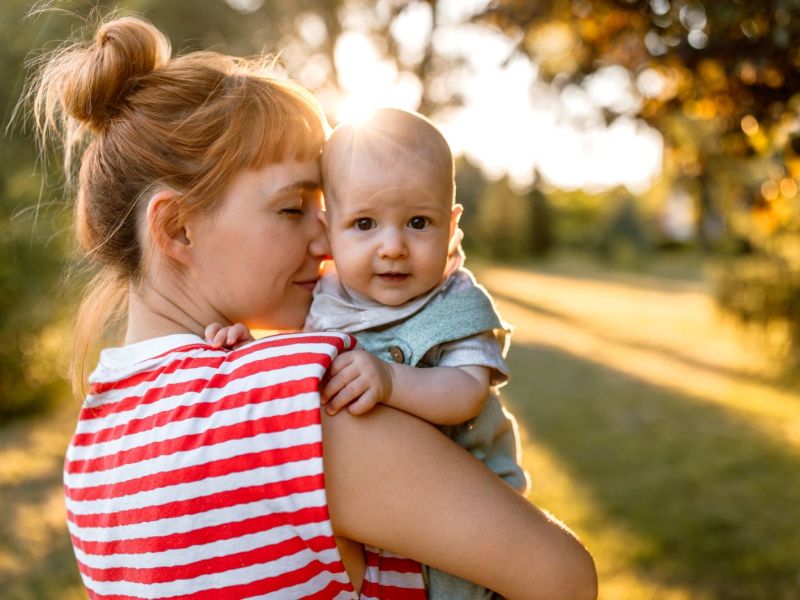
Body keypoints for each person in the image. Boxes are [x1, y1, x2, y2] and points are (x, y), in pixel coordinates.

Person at [31, 15, 597, 600]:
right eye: (292, 208)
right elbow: (564, 579)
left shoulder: (92, 447)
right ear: (177, 228)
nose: (327, 242)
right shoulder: (309, 405)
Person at [212, 108, 529, 598]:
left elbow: (465, 392)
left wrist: (391, 380)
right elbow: (296, 362)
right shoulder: (325, 297)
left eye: (419, 222)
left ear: (451, 226)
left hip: (472, 521)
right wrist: (251, 349)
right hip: (378, 526)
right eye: (364, 223)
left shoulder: (455, 302)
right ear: (329, 231)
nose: (393, 246)